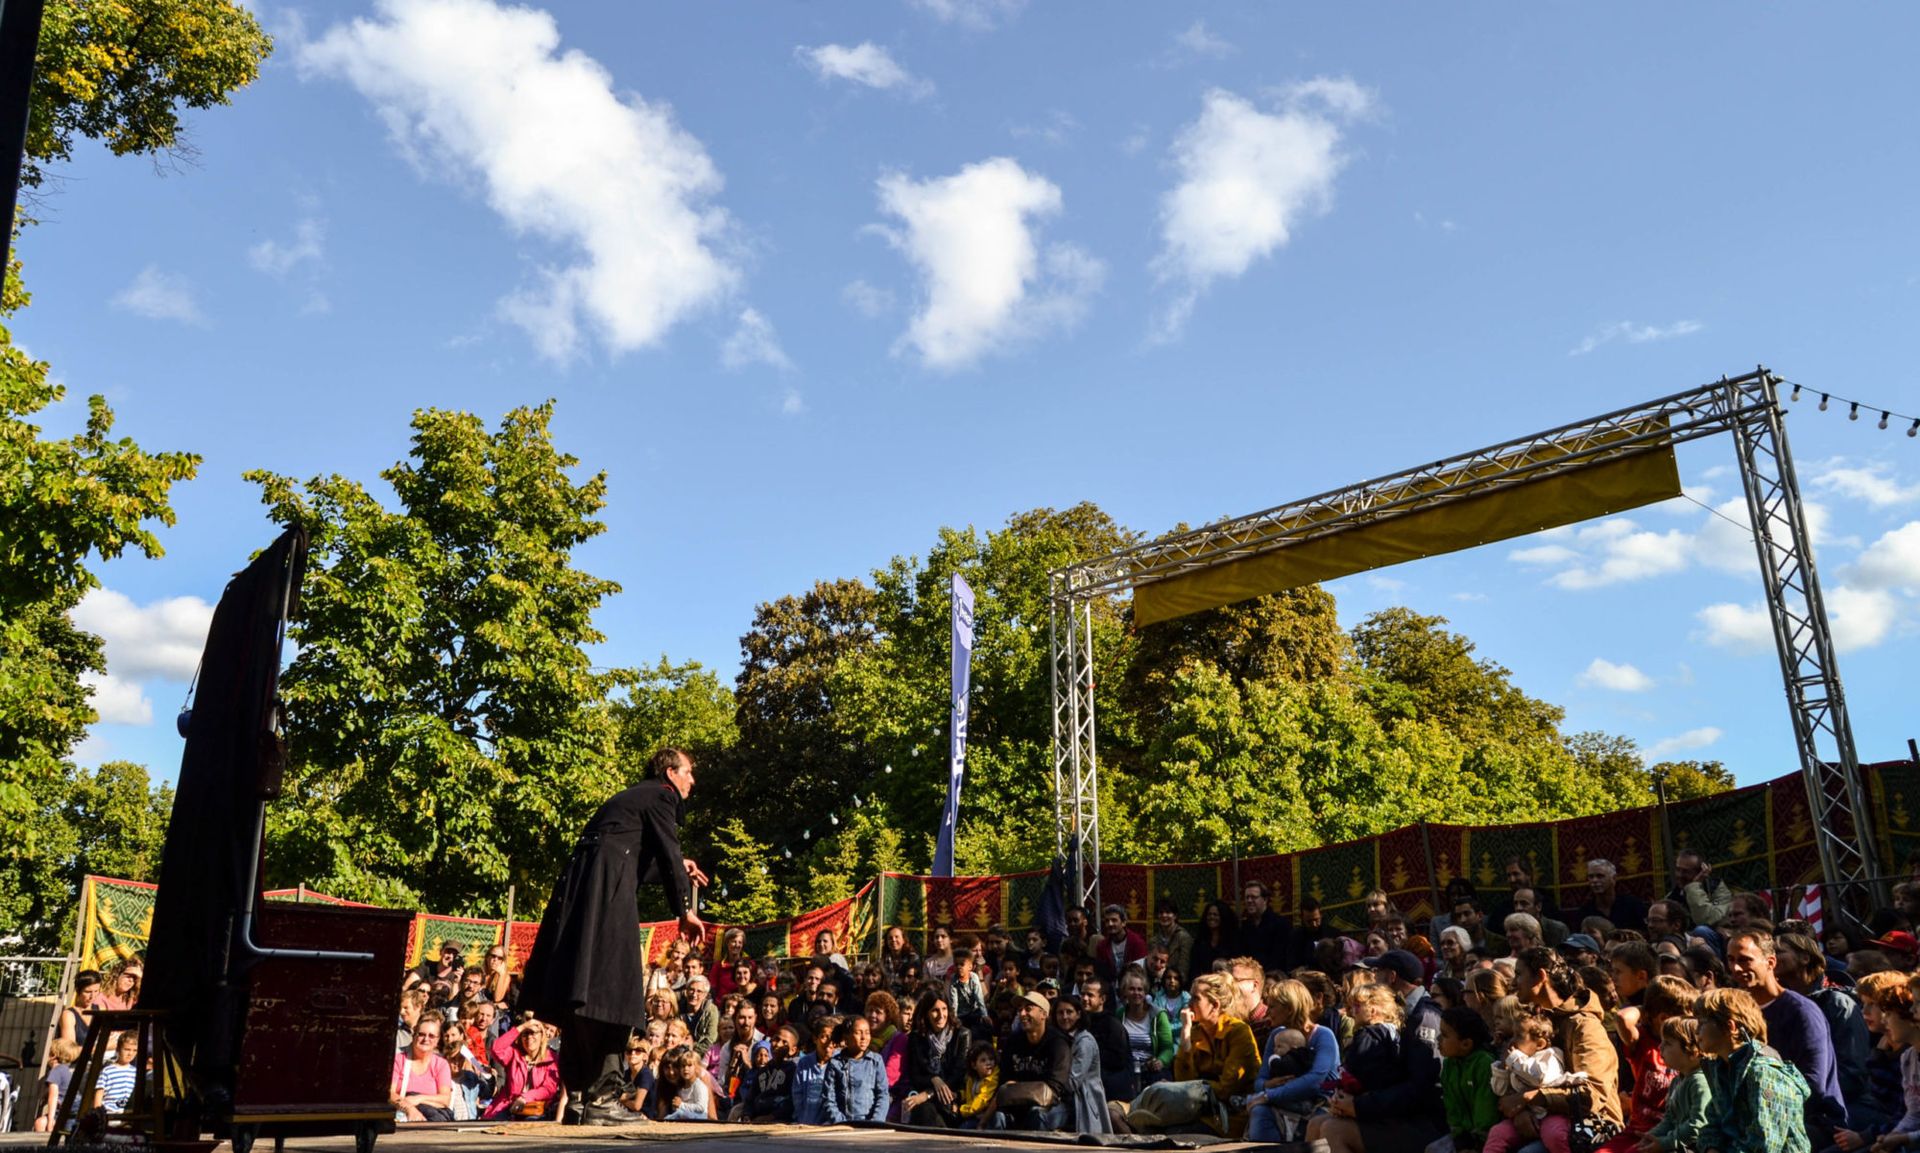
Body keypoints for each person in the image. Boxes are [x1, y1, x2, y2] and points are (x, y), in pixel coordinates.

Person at [517, 746, 709, 1123]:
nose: (692, 781)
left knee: (584, 992)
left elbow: (628, 855)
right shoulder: (661, 795)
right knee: (615, 995)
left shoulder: (628, 800)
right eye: (688, 772)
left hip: (582, 895)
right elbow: (666, 851)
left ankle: (579, 1098)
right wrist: (684, 909)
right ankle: (602, 1100)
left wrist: (675, 867)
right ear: (670, 773)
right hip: (605, 897)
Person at [1725, 929, 1846, 1147]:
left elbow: (1813, 1085)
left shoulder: (1801, 1012)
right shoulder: (1738, 1011)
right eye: (1731, 960)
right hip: (1753, 1118)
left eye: (1745, 960)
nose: (1736, 968)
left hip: (1811, 1121)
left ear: (1770, 962)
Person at [1502, 946, 1623, 1153]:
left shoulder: (1586, 1027)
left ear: (1540, 977)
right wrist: (1520, 1110)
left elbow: (1593, 1093)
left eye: (1519, 974)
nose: (1514, 983)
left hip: (1592, 1130)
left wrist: (1532, 1098)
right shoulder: (1535, 1021)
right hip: (1546, 1122)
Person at [1695, 987, 1811, 1153]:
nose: (1696, 1030)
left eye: (1702, 1023)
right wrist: (1711, 1148)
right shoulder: (1720, 1069)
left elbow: (1764, 1143)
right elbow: (1713, 1122)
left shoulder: (1764, 1073)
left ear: (1731, 1027)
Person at [1246, 977, 1339, 1142]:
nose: (1268, 1012)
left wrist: (1269, 1095)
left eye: (1273, 1006)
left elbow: (1314, 1081)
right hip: (1282, 1102)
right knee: (1259, 1111)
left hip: (1318, 1104)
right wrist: (1267, 1085)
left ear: (1289, 1009)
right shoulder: (1277, 1035)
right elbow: (1260, 1080)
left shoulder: (1323, 1035)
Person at [1170, 972, 1258, 1135]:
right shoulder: (1197, 1032)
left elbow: (1227, 1088)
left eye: (1196, 999)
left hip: (1234, 1114)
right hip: (1201, 1109)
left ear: (1215, 1005)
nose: (1189, 1004)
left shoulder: (1238, 1032)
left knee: (1176, 1134)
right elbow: (1181, 1080)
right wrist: (1186, 1034)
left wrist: (1197, 1086)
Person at [987, 990, 1072, 1131]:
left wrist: (1016, 1087)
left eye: (1028, 1009)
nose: (1022, 1014)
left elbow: (1054, 1089)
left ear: (1043, 1014)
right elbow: (1004, 1082)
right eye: (1020, 1010)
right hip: (1018, 1105)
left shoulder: (1058, 1043)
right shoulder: (1013, 1041)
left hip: (1052, 1106)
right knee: (998, 1118)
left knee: (1036, 1115)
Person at [1433, 1004, 1499, 1153]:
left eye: (1444, 1035)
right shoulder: (1449, 1064)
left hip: (1486, 1138)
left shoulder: (1484, 1064)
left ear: (1466, 1044)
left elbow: (1487, 1110)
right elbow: (1451, 1106)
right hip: (1463, 1136)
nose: (1438, 1039)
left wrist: (1476, 1141)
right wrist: (1459, 1135)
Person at [899, 990, 971, 1126]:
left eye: (944, 1009)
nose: (941, 1015)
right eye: (935, 1010)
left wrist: (928, 1094)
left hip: (952, 1099)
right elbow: (916, 1075)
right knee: (923, 1111)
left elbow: (958, 1076)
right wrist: (934, 1079)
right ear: (926, 1013)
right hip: (927, 1102)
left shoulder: (962, 1035)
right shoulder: (917, 1038)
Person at [1050, 994, 1113, 1133]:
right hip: (1066, 1099)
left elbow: (1073, 1082)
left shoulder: (1084, 1042)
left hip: (1084, 1102)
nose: (1064, 1017)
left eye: (1069, 1012)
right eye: (1060, 1013)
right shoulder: (1057, 1039)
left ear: (1078, 1014)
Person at [485, 1017, 562, 1121]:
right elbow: (496, 1049)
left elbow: (549, 1089)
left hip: (537, 1108)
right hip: (508, 1106)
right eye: (525, 1034)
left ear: (542, 1036)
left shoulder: (552, 1058)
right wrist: (522, 1027)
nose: (529, 1037)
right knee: (493, 1123)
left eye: (533, 1033)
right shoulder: (514, 1053)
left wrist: (524, 1098)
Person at [1118, 968, 1177, 1092]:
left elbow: (1168, 1048)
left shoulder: (1158, 1015)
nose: (1136, 993)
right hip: (1127, 1070)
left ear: (1145, 992)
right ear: (1125, 992)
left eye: (1140, 989)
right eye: (1132, 989)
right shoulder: (1119, 1015)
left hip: (1151, 1070)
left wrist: (1161, 1061)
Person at [1079, 977, 1137, 1103]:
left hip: (1111, 1091)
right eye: (1082, 994)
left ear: (1102, 999)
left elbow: (1118, 1060)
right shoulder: (1080, 1023)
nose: (1084, 999)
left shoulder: (1113, 1026)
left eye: (1090, 995)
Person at [824, 1016, 890, 1123]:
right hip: (842, 1125)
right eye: (858, 1033)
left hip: (870, 1126)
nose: (864, 1037)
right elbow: (828, 1099)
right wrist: (841, 1122)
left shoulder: (876, 1061)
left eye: (867, 1032)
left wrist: (875, 1122)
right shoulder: (835, 1063)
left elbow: (883, 1095)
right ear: (846, 1037)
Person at [391, 1015, 454, 1122]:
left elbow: (445, 1099)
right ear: (414, 1034)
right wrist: (409, 1108)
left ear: (437, 1040)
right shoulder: (398, 1060)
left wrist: (418, 1099)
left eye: (431, 1036)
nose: (426, 1039)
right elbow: (390, 1094)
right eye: (421, 1034)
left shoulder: (441, 1064)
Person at [736, 1023, 800, 1123]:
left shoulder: (793, 1070)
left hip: (779, 1121)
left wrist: (770, 1117)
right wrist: (747, 1114)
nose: (778, 1044)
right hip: (757, 1118)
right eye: (776, 1039)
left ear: (792, 1050)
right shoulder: (763, 1070)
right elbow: (751, 1097)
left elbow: (791, 1102)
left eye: (784, 1042)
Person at [1574, 860, 1649, 937]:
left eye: (1600, 876)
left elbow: (1646, 932)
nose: (1594, 880)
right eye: (1591, 877)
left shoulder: (1632, 905)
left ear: (1614, 878)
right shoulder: (1585, 912)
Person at [791, 1015, 839, 1125]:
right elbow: (797, 1094)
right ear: (815, 1038)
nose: (829, 1043)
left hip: (832, 1126)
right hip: (806, 1122)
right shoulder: (804, 1063)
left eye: (833, 1038)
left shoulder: (840, 1062)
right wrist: (801, 1117)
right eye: (824, 1037)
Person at [1238, 881, 1294, 974]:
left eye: (1254, 897)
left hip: (1274, 977)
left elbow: (1280, 957)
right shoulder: (1244, 927)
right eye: (1247, 897)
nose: (1249, 901)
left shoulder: (1281, 924)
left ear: (1265, 899)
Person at [1668, 851, 1731, 930]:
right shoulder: (1673, 897)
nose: (1680, 875)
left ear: (1701, 872)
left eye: (1686, 872)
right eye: (1678, 870)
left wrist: (1694, 887)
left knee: (1701, 930)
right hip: (1686, 940)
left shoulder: (1717, 890)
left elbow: (1707, 921)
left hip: (1712, 937)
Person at [656, 1044, 716, 1121]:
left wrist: (681, 1105)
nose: (671, 1072)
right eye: (667, 1068)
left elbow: (711, 1115)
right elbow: (662, 1114)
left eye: (675, 1067)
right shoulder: (664, 1083)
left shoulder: (699, 1081)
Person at [35, 1038, 81, 1132]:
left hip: (67, 1108)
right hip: (75, 1107)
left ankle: (45, 1144)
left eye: (48, 1053)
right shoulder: (65, 1069)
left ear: (53, 1056)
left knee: (40, 1123)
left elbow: (53, 1096)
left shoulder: (55, 1071)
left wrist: (50, 1121)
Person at [1094, 905, 1149, 982]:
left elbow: (1141, 972)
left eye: (1114, 920)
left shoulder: (1137, 943)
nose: (1110, 924)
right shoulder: (1102, 946)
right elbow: (1100, 974)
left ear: (1123, 923)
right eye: (1107, 921)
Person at [95, 1029, 142, 1116]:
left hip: (128, 1117)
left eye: (135, 1050)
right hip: (109, 1115)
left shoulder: (136, 1072)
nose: (130, 1053)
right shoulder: (107, 1071)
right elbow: (98, 1099)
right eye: (127, 1049)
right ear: (118, 1049)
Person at [954, 1041, 1002, 1127]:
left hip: (988, 1118)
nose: (989, 1063)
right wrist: (959, 1095)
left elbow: (982, 1101)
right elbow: (970, 1094)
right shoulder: (972, 1079)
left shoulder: (992, 1079)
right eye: (983, 1060)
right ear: (974, 1065)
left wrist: (961, 1110)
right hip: (973, 1116)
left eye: (991, 1059)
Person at [1191, 900, 1240, 981]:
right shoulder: (1200, 940)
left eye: (1215, 915)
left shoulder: (1233, 940)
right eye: (1209, 914)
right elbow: (1195, 966)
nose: (1212, 917)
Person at [56, 971, 99, 1050]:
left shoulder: (101, 1010)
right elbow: (70, 1051)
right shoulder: (69, 1015)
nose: (92, 996)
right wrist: (102, 1047)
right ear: (78, 990)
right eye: (88, 992)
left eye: (96, 991)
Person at [1153, 901, 1195, 980]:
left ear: (1175, 916)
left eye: (1168, 912)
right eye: (1161, 912)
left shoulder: (1184, 938)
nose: (1164, 915)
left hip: (1178, 984)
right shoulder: (1154, 941)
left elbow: (1184, 968)